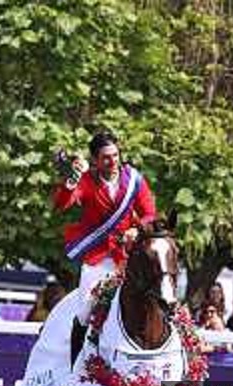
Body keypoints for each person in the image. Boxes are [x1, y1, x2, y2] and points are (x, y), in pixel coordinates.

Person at [53, 131, 157, 360]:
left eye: (115, 155)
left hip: (129, 255)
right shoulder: (86, 180)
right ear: (95, 160)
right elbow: (62, 204)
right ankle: (76, 363)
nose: (112, 161)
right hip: (98, 256)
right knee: (84, 312)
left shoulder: (134, 179)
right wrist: (71, 180)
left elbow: (150, 214)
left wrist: (136, 229)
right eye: (106, 158)